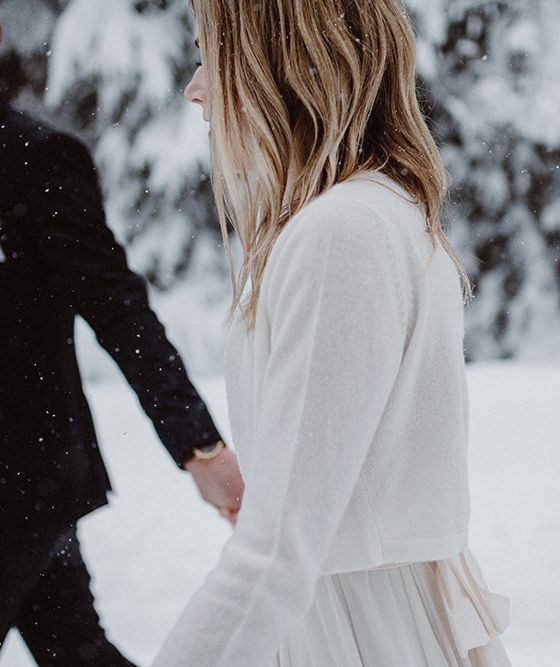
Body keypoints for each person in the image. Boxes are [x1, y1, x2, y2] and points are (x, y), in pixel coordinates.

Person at [154, 1, 510, 665]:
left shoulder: (340, 233)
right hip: (365, 616)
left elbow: (278, 551)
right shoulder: (370, 212)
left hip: (356, 632)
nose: (194, 87)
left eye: (210, 54)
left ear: (274, 65)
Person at [0, 20, 244, 667]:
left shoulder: (31, 159)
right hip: (28, 493)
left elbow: (117, 307)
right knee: (75, 649)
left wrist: (198, 444)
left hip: (20, 486)